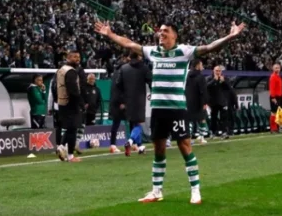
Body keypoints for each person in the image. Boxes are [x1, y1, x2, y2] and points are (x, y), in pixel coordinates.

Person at [94, 19, 246, 205]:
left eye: (166, 31)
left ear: (175, 35)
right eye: (160, 32)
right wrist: (110, 34)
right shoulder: (153, 52)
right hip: (158, 109)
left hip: (176, 109)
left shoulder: (184, 51)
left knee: (184, 147)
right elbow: (129, 43)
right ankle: (157, 191)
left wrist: (231, 36)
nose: (161, 34)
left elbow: (209, 47)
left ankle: (195, 190)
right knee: (159, 150)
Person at [117, 52, 151, 156]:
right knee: (139, 123)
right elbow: (150, 80)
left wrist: (122, 100)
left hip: (127, 100)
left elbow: (118, 84)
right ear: (138, 57)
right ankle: (130, 142)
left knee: (134, 123)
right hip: (139, 99)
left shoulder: (123, 68)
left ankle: (140, 147)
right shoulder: (144, 68)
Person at [55, 50, 84, 163]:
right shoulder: (71, 72)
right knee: (73, 129)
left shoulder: (61, 70)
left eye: (79, 57)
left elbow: (55, 87)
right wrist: (81, 103)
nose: (77, 59)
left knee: (70, 128)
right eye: (75, 57)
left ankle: (61, 147)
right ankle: (71, 156)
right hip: (71, 103)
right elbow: (74, 91)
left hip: (62, 103)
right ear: (68, 58)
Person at [108, 56, 129, 154]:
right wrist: (123, 101)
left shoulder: (116, 71)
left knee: (116, 124)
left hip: (114, 100)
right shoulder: (123, 71)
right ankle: (133, 143)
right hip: (120, 101)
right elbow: (121, 87)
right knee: (133, 121)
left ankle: (113, 145)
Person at [185, 59, 209, 145]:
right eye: (201, 64)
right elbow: (203, 91)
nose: (202, 66)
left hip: (189, 101)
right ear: (197, 66)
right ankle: (201, 137)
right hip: (199, 101)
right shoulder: (200, 77)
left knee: (190, 120)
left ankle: (189, 138)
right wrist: (204, 102)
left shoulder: (187, 76)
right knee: (202, 119)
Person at [208, 66, 234, 139]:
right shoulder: (209, 78)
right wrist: (214, 80)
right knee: (214, 118)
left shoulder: (224, 78)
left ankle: (224, 132)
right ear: (213, 71)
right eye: (216, 70)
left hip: (223, 101)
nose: (218, 72)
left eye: (219, 71)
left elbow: (229, 88)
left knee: (224, 118)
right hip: (213, 102)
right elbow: (207, 87)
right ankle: (213, 132)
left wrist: (224, 82)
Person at [268, 63, 282, 134]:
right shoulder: (273, 77)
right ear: (273, 69)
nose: (277, 69)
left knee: (279, 112)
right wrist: (273, 97)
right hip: (274, 97)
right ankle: (273, 129)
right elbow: (272, 88)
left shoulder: (279, 77)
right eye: (276, 68)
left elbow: (279, 88)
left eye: (278, 68)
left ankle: (279, 127)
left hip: (279, 96)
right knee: (273, 113)